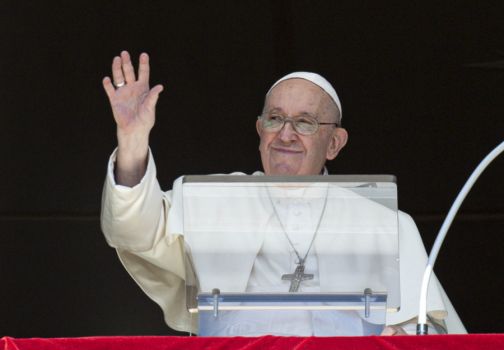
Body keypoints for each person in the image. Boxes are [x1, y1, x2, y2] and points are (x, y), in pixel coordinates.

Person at [101, 51, 466, 335]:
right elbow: (132, 231)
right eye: (275, 119)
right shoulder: (209, 199)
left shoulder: (387, 225)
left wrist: (397, 334)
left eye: (305, 122)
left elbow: (430, 329)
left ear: (334, 143)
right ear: (260, 129)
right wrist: (132, 142)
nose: (286, 134)